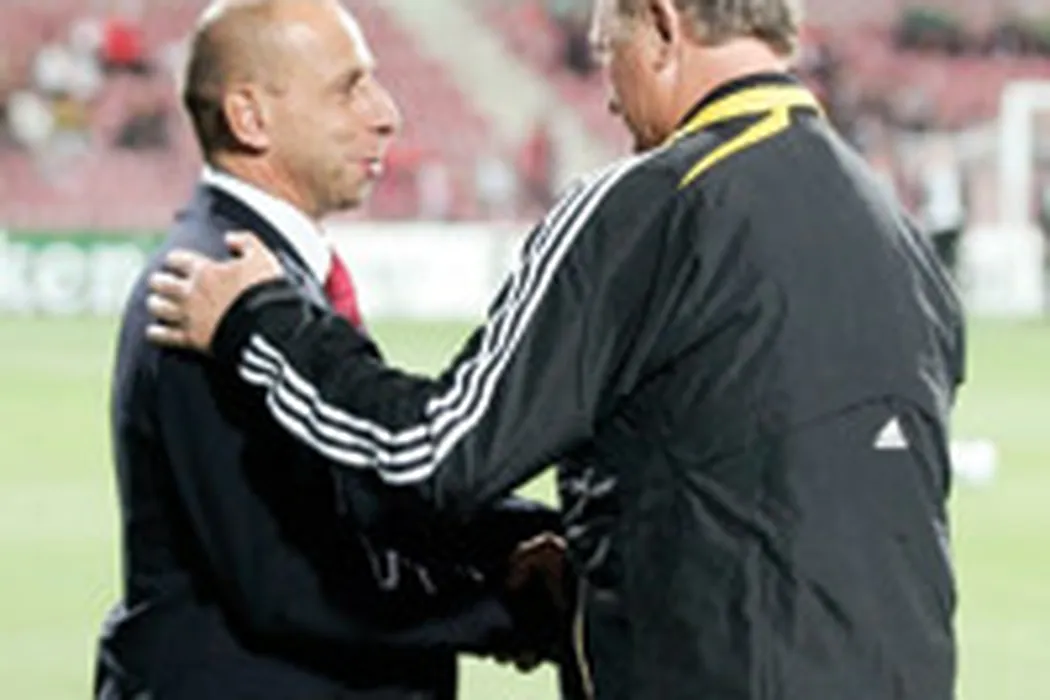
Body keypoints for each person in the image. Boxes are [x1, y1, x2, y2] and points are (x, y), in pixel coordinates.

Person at [145, 0, 967, 698]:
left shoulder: (650, 204)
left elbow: (431, 454)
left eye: (606, 50)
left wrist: (261, 323)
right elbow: (761, 479)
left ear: (661, 25)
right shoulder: (897, 233)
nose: (607, 95)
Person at [94, 1, 569, 698]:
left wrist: (530, 540)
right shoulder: (209, 291)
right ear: (250, 118)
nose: (386, 115)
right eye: (348, 89)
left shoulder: (265, 278)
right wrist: (511, 610)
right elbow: (289, 582)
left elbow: (363, 488)